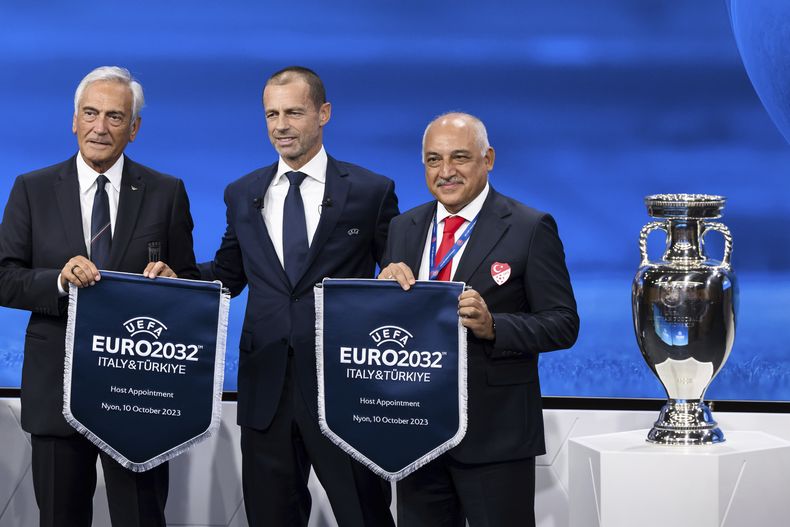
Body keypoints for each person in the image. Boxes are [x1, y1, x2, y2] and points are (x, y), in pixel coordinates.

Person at [0, 66, 199, 527]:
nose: (100, 127)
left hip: (138, 395)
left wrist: (173, 281)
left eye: (115, 116)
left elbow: (189, 283)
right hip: (56, 393)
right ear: (74, 120)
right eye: (90, 113)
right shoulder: (32, 189)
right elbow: (4, 277)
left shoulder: (166, 192)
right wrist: (57, 280)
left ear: (134, 128)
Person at [200, 66, 399, 526]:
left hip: (345, 389)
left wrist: (399, 270)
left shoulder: (371, 192)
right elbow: (228, 275)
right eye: (271, 114)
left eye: (293, 112)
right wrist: (175, 277)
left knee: (365, 514)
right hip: (266, 388)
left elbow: (397, 271)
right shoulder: (242, 193)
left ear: (323, 113)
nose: (281, 126)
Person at [380, 112, 579, 527]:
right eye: (433, 160)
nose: (446, 171)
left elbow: (563, 323)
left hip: (495, 438)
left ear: (487, 159)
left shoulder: (529, 227)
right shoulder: (403, 227)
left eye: (460, 157)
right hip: (417, 433)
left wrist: (495, 327)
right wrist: (379, 296)